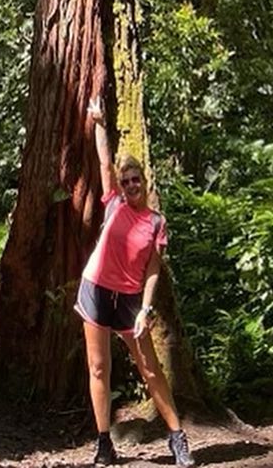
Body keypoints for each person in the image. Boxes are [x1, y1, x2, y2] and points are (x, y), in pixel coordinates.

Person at [75, 95, 193, 468]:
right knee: (98, 368)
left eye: (135, 179)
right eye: (125, 181)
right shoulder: (113, 204)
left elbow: (154, 269)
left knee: (150, 368)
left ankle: (178, 438)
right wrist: (98, 122)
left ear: (144, 181)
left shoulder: (156, 222)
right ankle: (104, 443)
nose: (130, 185)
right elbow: (104, 161)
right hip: (95, 289)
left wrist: (145, 307)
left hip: (130, 300)